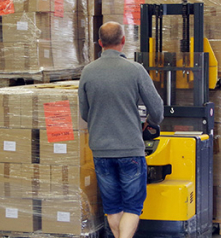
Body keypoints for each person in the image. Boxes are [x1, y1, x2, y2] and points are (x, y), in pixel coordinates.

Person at [78, 21, 164, 238]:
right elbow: (158, 110)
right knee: (133, 207)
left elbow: (85, 113)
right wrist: (149, 123)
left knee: (113, 207)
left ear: (99, 44)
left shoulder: (88, 72)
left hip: (101, 151)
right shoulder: (135, 70)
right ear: (123, 41)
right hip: (130, 150)